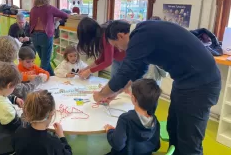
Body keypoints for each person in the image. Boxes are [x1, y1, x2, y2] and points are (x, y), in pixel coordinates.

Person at [93, 20, 221, 155]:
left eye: (116, 45)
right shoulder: (142, 36)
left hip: (201, 84)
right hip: (184, 82)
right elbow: (136, 72)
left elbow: (125, 71)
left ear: (120, 36)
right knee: (174, 127)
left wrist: (101, 94)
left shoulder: (141, 35)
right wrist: (114, 94)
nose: (119, 49)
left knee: (189, 139)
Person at [104, 79, 161, 155]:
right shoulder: (155, 121)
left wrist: (109, 131)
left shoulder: (125, 119)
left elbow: (117, 145)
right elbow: (156, 146)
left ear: (133, 98)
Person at [14, 90, 72, 155]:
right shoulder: (53, 142)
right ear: (52, 113)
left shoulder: (19, 131)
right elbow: (68, 153)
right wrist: (61, 136)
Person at [30, 0, 69, 76]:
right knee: (45, 62)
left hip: (34, 36)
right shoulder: (49, 8)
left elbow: (31, 23)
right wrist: (56, 19)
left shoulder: (33, 9)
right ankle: (39, 79)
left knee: (44, 60)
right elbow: (66, 15)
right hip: (45, 36)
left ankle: (52, 76)